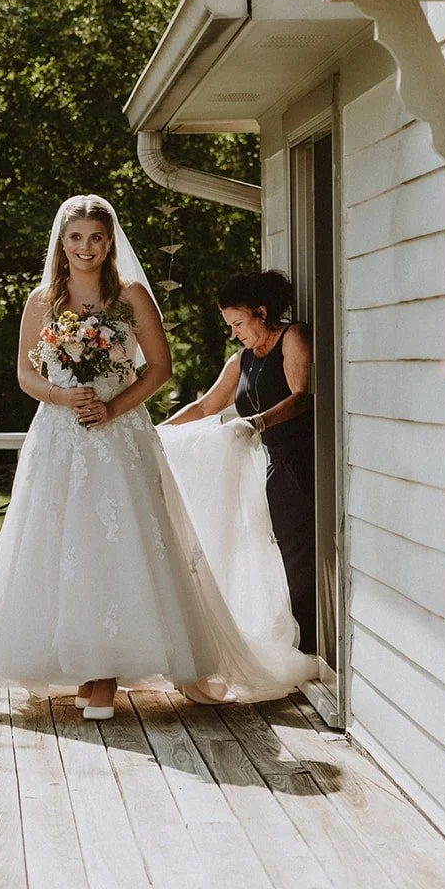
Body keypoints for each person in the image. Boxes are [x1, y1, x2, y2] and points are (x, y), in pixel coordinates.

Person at [0, 195, 315, 719]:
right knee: (61, 544)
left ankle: (106, 673)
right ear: (62, 241)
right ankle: (79, 665)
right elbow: (25, 374)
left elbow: (159, 369)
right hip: (59, 436)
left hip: (117, 434)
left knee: (114, 543)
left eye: (96, 238)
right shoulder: (41, 301)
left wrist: (112, 407)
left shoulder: (131, 296)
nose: (86, 248)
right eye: (76, 238)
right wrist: (63, 397)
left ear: (110, 241)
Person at [163, 271, 317, 656]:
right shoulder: (243, 359)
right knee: (267, 555)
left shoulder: (292, 337)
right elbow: (205, 406)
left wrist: (257, 422)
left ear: (261, 312)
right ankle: (289, 642)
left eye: (238, 323)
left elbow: (302, 395)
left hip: (297, 465)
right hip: (261, 467)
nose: (234, 333)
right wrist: (156, 430)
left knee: (294, 558)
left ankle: (307, 647)